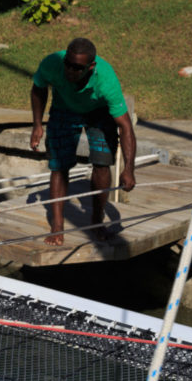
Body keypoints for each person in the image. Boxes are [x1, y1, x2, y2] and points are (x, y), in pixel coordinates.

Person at [29, 37, 136, 245]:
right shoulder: (52, 63)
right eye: (68, 64)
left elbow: (125, 126)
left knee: (102, 163)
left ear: (91, 66)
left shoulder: (106, 81)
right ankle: (57, 224)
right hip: (64, 108)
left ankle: (96, 221)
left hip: (99, 112)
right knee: (59, 165)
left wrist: (129, 168)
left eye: (77, 68)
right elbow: (38, 89)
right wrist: (37, 124)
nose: (70, 71)